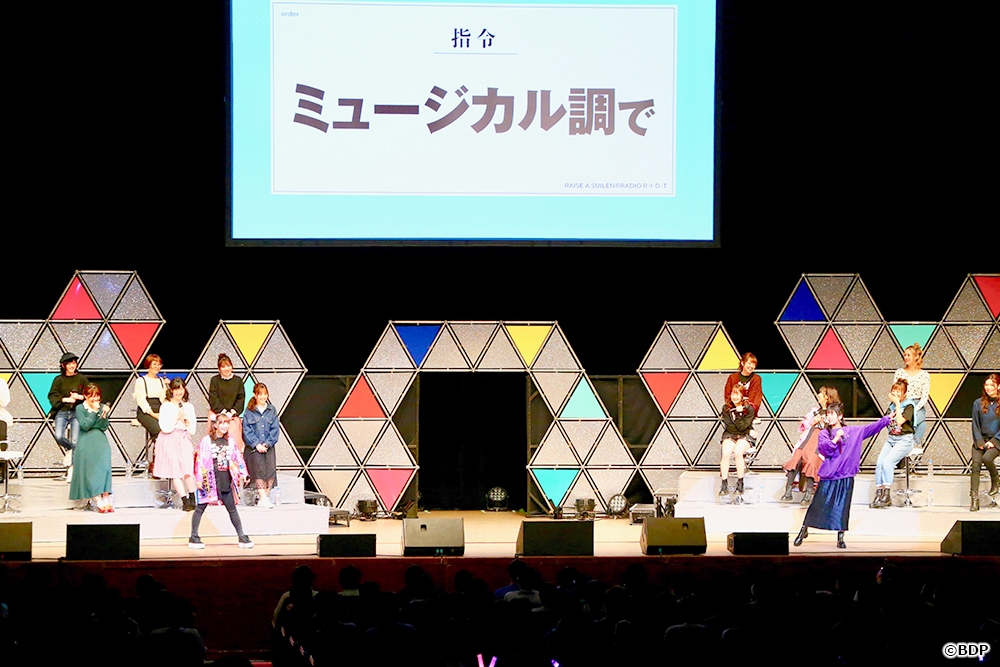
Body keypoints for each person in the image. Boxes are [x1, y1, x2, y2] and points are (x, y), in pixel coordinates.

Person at [793, 403, 891, 549]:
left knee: (842, 508)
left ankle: (840, 537)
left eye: (832, 414)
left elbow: (871, 428)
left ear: (840, 416)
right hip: (829, 475)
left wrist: (886, 419)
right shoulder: (824, 433)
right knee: (817, 506)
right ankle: (804, 530)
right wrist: (836, 438)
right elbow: (825, 450)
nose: (829, 417)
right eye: (828, 414)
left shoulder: (852, 431)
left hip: (845, 476)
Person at [189, 412, 253, 549]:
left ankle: (241, 535)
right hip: (209, 480)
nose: (224, 426)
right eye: (222, 423)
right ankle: (193, 536)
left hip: (225, 480)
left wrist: (244, 473)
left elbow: (238, 458)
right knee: (200, 508)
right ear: (215, 425)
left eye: (227, 423)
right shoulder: (206, 441)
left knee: (232, 509)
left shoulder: (230, 441)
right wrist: (199, 479)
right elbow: (199, 460)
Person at [782, 385, 841, 504]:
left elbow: (837, 427)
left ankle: (808, 494)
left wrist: (824, 422)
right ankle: (788, 491)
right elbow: (804, 425)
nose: (818, 395)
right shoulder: (815, 411)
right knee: (797, 457)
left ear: (827, 396)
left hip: (821, 441)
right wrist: (813, 421)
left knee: (812, 460)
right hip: (808, 438)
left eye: (821, 393)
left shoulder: (834, 412)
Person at [153, 377, 198, 511]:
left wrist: (187, 422)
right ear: (171, 391)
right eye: (176, 389)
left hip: (184, 438)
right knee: (175, 471)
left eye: (181, 389)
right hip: (170, 439)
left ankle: (192, 497)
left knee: (188, 469)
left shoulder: (188, 406)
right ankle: (184, 500)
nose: (179, 392)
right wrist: (176, 417)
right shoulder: (166, 406)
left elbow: (192, 430)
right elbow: (165, 427)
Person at [870, 380, 915, 509]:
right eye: (893, 391)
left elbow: (900, 421)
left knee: (887, 462)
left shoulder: (909, 405)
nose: (895, 393)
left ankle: (887, 495)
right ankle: (879, 493)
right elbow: (886, 422)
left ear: (904, 394)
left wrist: (897, 404)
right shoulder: (891, 406)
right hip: (891, 439)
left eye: (898, 391)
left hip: (904, 440)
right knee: (880, 463)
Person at [69, 383, 114, 512]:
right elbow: (85, 425)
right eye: (92, 396)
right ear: (85, 396)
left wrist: (104, 415)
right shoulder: (80, 408)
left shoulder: (102, 407)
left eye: (97, 396)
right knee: (91, 472)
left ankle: (106, 498)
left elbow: (104, 426)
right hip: (87, 442)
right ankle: (97, 500)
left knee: (105, 468)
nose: (95, 399)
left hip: (101, 441)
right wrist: (94, 412)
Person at [47, 352, 89, 478]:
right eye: (69, 363)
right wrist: (65, 399)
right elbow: (52, 395)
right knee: (59, 436)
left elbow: (91, 394)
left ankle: (73, 471)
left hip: (77, 412)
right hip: (62, 411)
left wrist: (79, 397)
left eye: (74, 363)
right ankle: (71, 449)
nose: (72, 366)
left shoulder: (81, 378)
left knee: (76, 440)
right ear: (63, 365)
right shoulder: (58, 380)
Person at [243, 382, 280, 508]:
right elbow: (246, 430)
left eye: (265, 394)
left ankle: (263, 498)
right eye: (260, 394)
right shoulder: (249, 411)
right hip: (255, 448)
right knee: (258, 473)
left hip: (269, 447)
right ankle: (263, 498)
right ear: (255, 395)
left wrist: (268, 443)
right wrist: (256, 444)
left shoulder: (272, 410)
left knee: (270, 473)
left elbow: (275, 429)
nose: (263, 397)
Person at [969, 373, 1000, 512]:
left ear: (998, 386)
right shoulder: (978, 403)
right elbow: (975, 424)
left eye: (992, 385)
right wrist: (980, 441)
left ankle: (995, 479)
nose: (988, 387)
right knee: (975, 465)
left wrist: (994, 441)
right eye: (986, 385)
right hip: (981, 439)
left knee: (987, 458)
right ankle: (974, 499)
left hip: (997, 440)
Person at [718, 384, 755, 496]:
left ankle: (740, 482)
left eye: (737, 394)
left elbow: (743, 427)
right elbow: (730, 426)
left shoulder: (749, 409)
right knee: (726, 453)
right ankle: (724, 483)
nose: (734, 397)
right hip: (730, 434)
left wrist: (739, 414)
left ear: (743, 396)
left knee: (738, 452)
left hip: (744, 436)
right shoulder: (726, 408)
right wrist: (740, 423)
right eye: (733, 394)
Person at [894, 342, 930, 445]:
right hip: (903, 404)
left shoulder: (924, 375)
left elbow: (924, 396)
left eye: (908, 355)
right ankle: (907, 445)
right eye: (904, 355)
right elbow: (895, 391)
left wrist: (915, 408)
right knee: (905, 423)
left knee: (921, 423)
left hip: (917, 404)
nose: (905, 357)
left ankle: (915, 445)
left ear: (916, 356)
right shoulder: (899, 372)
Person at [209, 353, 245, 450]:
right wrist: (223, 412)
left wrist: (232, 412)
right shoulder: (214, 380)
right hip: (217, 414)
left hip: (232, 415)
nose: (226, 369)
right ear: (219, 369)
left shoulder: (238, 381)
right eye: (223, 367)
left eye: (228, 366)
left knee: (233, 438)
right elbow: (213, 398)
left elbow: (241, 398)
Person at [134, 353, 168, 441]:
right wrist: (153, 414)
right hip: (146, 412)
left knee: (170, 430)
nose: (157, 367)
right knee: (159, 431)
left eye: (159, 365)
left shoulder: (161, 380)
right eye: (155, 364)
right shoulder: (141, 381)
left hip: (160, 409)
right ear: (149, 365)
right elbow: (141, 401)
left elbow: (164, 399)